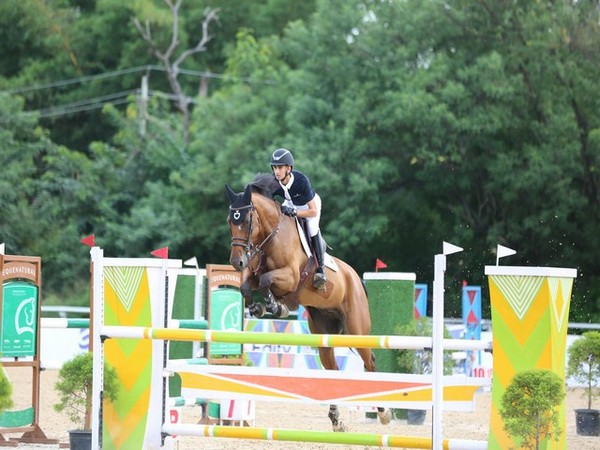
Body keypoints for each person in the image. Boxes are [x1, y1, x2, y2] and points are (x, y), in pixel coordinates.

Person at [270, 148, 327, 289]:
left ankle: (321, 269)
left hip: (309, 206)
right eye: (274, 167)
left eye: (280, 167)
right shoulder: (274, 182)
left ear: (289, 168)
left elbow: (313, 211)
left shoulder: (301, 181)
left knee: (312, 229)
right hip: (290, 203)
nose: (277, 171)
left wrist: (294, 213)